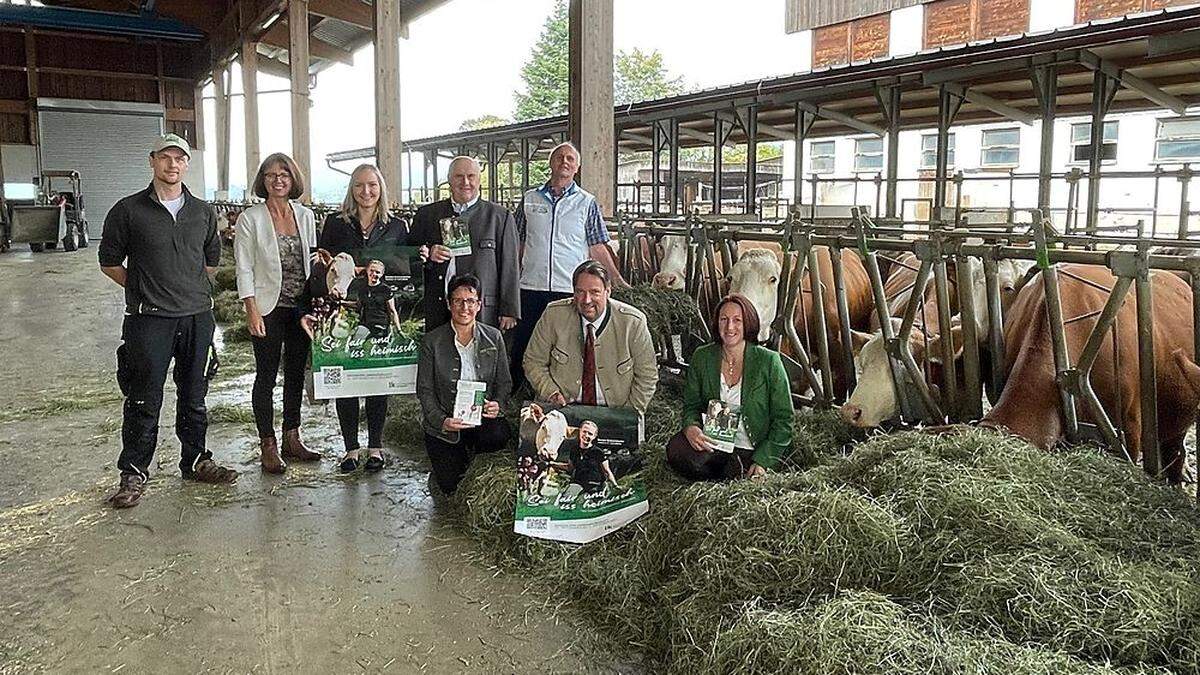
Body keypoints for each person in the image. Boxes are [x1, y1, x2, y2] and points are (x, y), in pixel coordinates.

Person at [99, 133, 238, 508]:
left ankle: (196, 460)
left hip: (196, 316)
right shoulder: (128, 211)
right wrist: (144, 286)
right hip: (149, 320)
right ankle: (133, 472)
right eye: (165, 157)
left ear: (187, 164)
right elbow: (109, 262)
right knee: (143, 397)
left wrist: (187, 290)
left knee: (195, 395)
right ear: (152, 160)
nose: (172, 164)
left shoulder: (203, 213)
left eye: (179, 158)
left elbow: (211, 262)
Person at [305, 163, 409, 474]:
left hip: (377, 309)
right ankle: (350, 448)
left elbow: (405, 272)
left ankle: (375, 445)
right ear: (352, 189)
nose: (366, 192)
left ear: (381, 188)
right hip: (343, 308)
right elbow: (324, 268)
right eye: (359, 185)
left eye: (372, 185)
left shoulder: (398, 227)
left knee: (378, 376)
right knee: (346, 376)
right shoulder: (336, 224)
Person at [510, 142, 627, 388]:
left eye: (570, 159)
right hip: (531, 285)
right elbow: (518, 242)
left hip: (568, 288)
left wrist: (616, 279)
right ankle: (518, 392)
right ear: (551, 163)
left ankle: (563, 392)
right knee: (525, 341)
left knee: (566, 344)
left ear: (577, 167)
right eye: (560, 157)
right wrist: (510, 278)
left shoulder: (587, 202)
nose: (565, 162)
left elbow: (597, 246)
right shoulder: (530, 199)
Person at [233, 152, 320, 474]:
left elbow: (311, 260)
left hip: (300, 307)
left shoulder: (306, 215)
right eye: (271, 175)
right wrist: (251, 308)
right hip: (268, 307)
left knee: (296, 373)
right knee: (266, 376)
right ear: (263, 181)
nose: (278, 179)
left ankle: (292, 437)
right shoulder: (250, 218)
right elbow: (243, 267)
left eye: (284, 174)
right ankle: (267, 444)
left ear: (293, 178)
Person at [666, 294, 793, 481]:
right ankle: (722, 477)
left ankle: (740, 473)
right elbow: (691, 405)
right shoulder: (703, 357)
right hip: (715, 443)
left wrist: (763, 460)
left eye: (737, 320)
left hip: (753, 446)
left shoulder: (768, 361)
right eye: (723, 319)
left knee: (742, 473)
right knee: (676, 449)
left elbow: (784, 419)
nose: (729, 327)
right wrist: (691, 427)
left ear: (748, 323)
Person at [416, 274, 512, 494]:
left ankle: (474, 452)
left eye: (470, 301)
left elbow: (504, 383)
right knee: (451, 487)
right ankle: (448, 460)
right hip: (447, 421)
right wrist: (442, 421)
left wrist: (497, 404)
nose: (464, 307)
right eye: (458, 301)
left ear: (479, 305)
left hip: (482, 418)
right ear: (449, 304)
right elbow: (425, 390)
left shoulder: (494, 337)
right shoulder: (432, 341)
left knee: (498, 434)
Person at [523, 260, 657, 413]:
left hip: (615, 410)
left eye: (594, 292)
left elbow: (647, 376)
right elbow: (533, 361)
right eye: (580, 292)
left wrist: (628, 415)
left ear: (608, 291)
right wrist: (551, 392)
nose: (586, 300)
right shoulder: (553, 315)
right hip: (562, 409)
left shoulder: (633, 322)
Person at [407, 156, 520, 332]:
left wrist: (510, 309)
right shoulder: (426, 215)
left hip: (482, 310)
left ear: (479, 179)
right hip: (437, 308)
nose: (465, 182)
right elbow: (407, 257)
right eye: (459, 176)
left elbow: (510, 266)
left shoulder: (500, 217)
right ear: (449, 180)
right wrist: (428, 253)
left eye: (471, 176)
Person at [559, 420, 619, 494]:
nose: (586, 435)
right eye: (584, 432)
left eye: (590, 434)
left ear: (594, 436)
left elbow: (607, 471)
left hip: (595, 485)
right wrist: (551, 464)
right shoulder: (574, 450)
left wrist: (616, 486)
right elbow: (570, 467)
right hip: (578, 484)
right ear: (580, 431)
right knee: (566, 498)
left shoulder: (598, 452)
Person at [349, 259, 403, 339]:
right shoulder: (362, 289)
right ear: (367, 271)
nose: (374, 274)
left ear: (382, 274)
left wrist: (399, 330)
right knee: (354, 344)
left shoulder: (386, 290)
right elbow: (358, 305)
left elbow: (392, 311)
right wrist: (341, 302)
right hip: (365, 325)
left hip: (382, 326)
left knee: (383, 350)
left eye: (377, 272)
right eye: (371, 271)